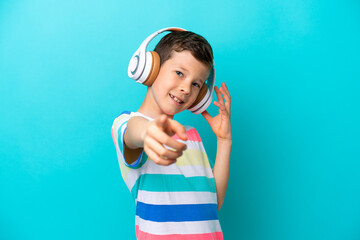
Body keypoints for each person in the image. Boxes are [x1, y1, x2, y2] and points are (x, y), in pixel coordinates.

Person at [111, 27, 232, 240]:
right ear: (151, 68)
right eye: (179, 73)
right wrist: (149, 132)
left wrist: (224, 140)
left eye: (196, 84)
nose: (186, 88)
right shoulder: (127, 124)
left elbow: (215, 201)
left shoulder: (191, 137)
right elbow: (134, 133)